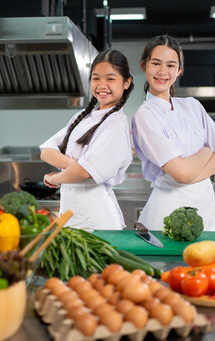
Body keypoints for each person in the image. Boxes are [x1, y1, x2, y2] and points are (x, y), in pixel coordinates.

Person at [132, 35, 215, 231]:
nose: (162, 72)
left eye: (170, 65)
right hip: (166, 214)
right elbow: (180, 173)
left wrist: (189, 178)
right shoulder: (144, 115)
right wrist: (205, 151)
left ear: (179, 70)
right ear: (144, 66)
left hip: (204, 209)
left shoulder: (192, 105)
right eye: (156, 63)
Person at [39, 49, 134, 230]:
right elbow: (46, 151)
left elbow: (84, 173)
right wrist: (77, 166)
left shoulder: (115, 125)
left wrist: (57, 178)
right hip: (72, 215)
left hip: (97, 221)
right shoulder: (83, 117)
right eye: (96, 78)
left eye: (110, 78)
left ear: (126, 82)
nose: (102, 84)